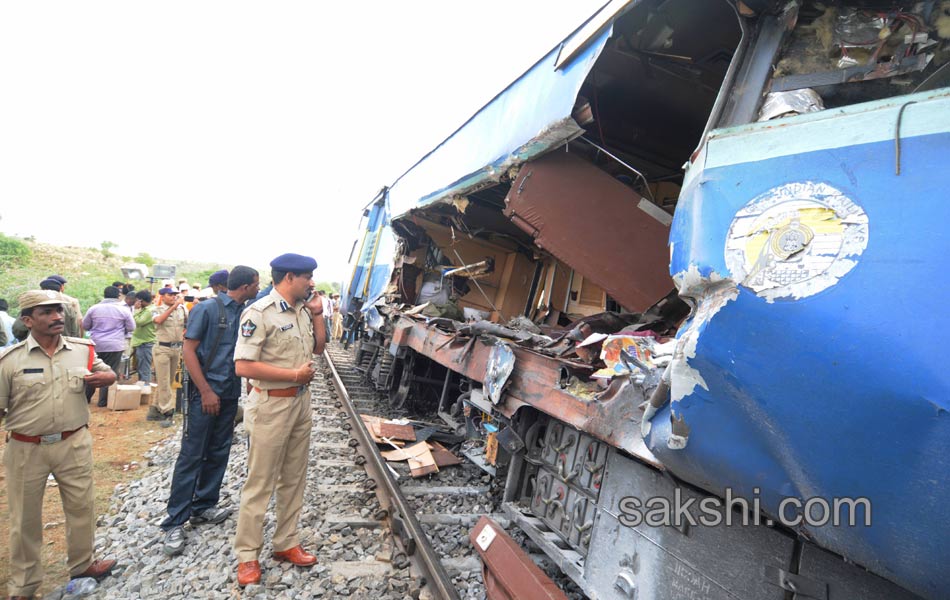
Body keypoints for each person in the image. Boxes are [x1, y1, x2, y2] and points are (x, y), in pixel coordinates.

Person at [0, 290, 118, 599]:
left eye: (58, 310)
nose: (57, 316)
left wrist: (106, 378)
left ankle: (82, 565)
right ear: (27, 320)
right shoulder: (9, 361)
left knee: (82, 507)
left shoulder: (83, 350)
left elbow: (107, 372)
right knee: (24, 518)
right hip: (26, 448)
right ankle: (24, 586)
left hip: (73, 442)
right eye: (46, 312)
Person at [232, 253, 325, 586]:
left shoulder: (302, 310)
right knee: (259, 483)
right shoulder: (259, 313)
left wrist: (318, 316)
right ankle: (247, 557)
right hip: (271, 405)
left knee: (294, 478)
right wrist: (292, 375)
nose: (311, 283)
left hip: (300, 405)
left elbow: (318, 349)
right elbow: (243, 366)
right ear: (289, 277)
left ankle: (285, 542)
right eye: (307, 277)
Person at [160, 266, 260, 556]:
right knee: (192, 454)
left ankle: (204, 505)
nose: (258, 288)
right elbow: (189, 350)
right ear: (245, 286)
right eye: (255, 284)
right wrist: (205, 391)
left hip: (228, 394)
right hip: (203, 395)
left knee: (219, 450)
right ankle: (175, 522)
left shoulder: (245, 312)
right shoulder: (207, 309)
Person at [81, 286, 136, 407]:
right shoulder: (123, 310)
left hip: (96, 344)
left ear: (104, 295)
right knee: (110, 371)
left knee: (92, 370)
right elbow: (132, 327)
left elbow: (85, 325)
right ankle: (103, 401)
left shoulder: (94, 309)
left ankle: (86, 398)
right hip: (115, 345)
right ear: (118, 296)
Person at [148, 287, 187, 424]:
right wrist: (174, 306)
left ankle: (154, 408)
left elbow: (188, 323)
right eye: (170, 295)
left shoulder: (182, 310)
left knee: (168, 381)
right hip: (162, 348)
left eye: (175, 295)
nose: (173, 297)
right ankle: (167, 411)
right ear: (162, 296)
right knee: (163, 381)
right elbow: (158, 321)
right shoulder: (156, 309)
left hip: (176, 348)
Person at [131, 290, 156, 383]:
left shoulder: (150, 311)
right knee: (142, 367)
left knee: (144, 368)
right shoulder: (145, 310)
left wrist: (136, 310)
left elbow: (138, 322)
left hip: (146, 343)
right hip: (142, 342)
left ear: (141, 301)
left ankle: (145, 388)